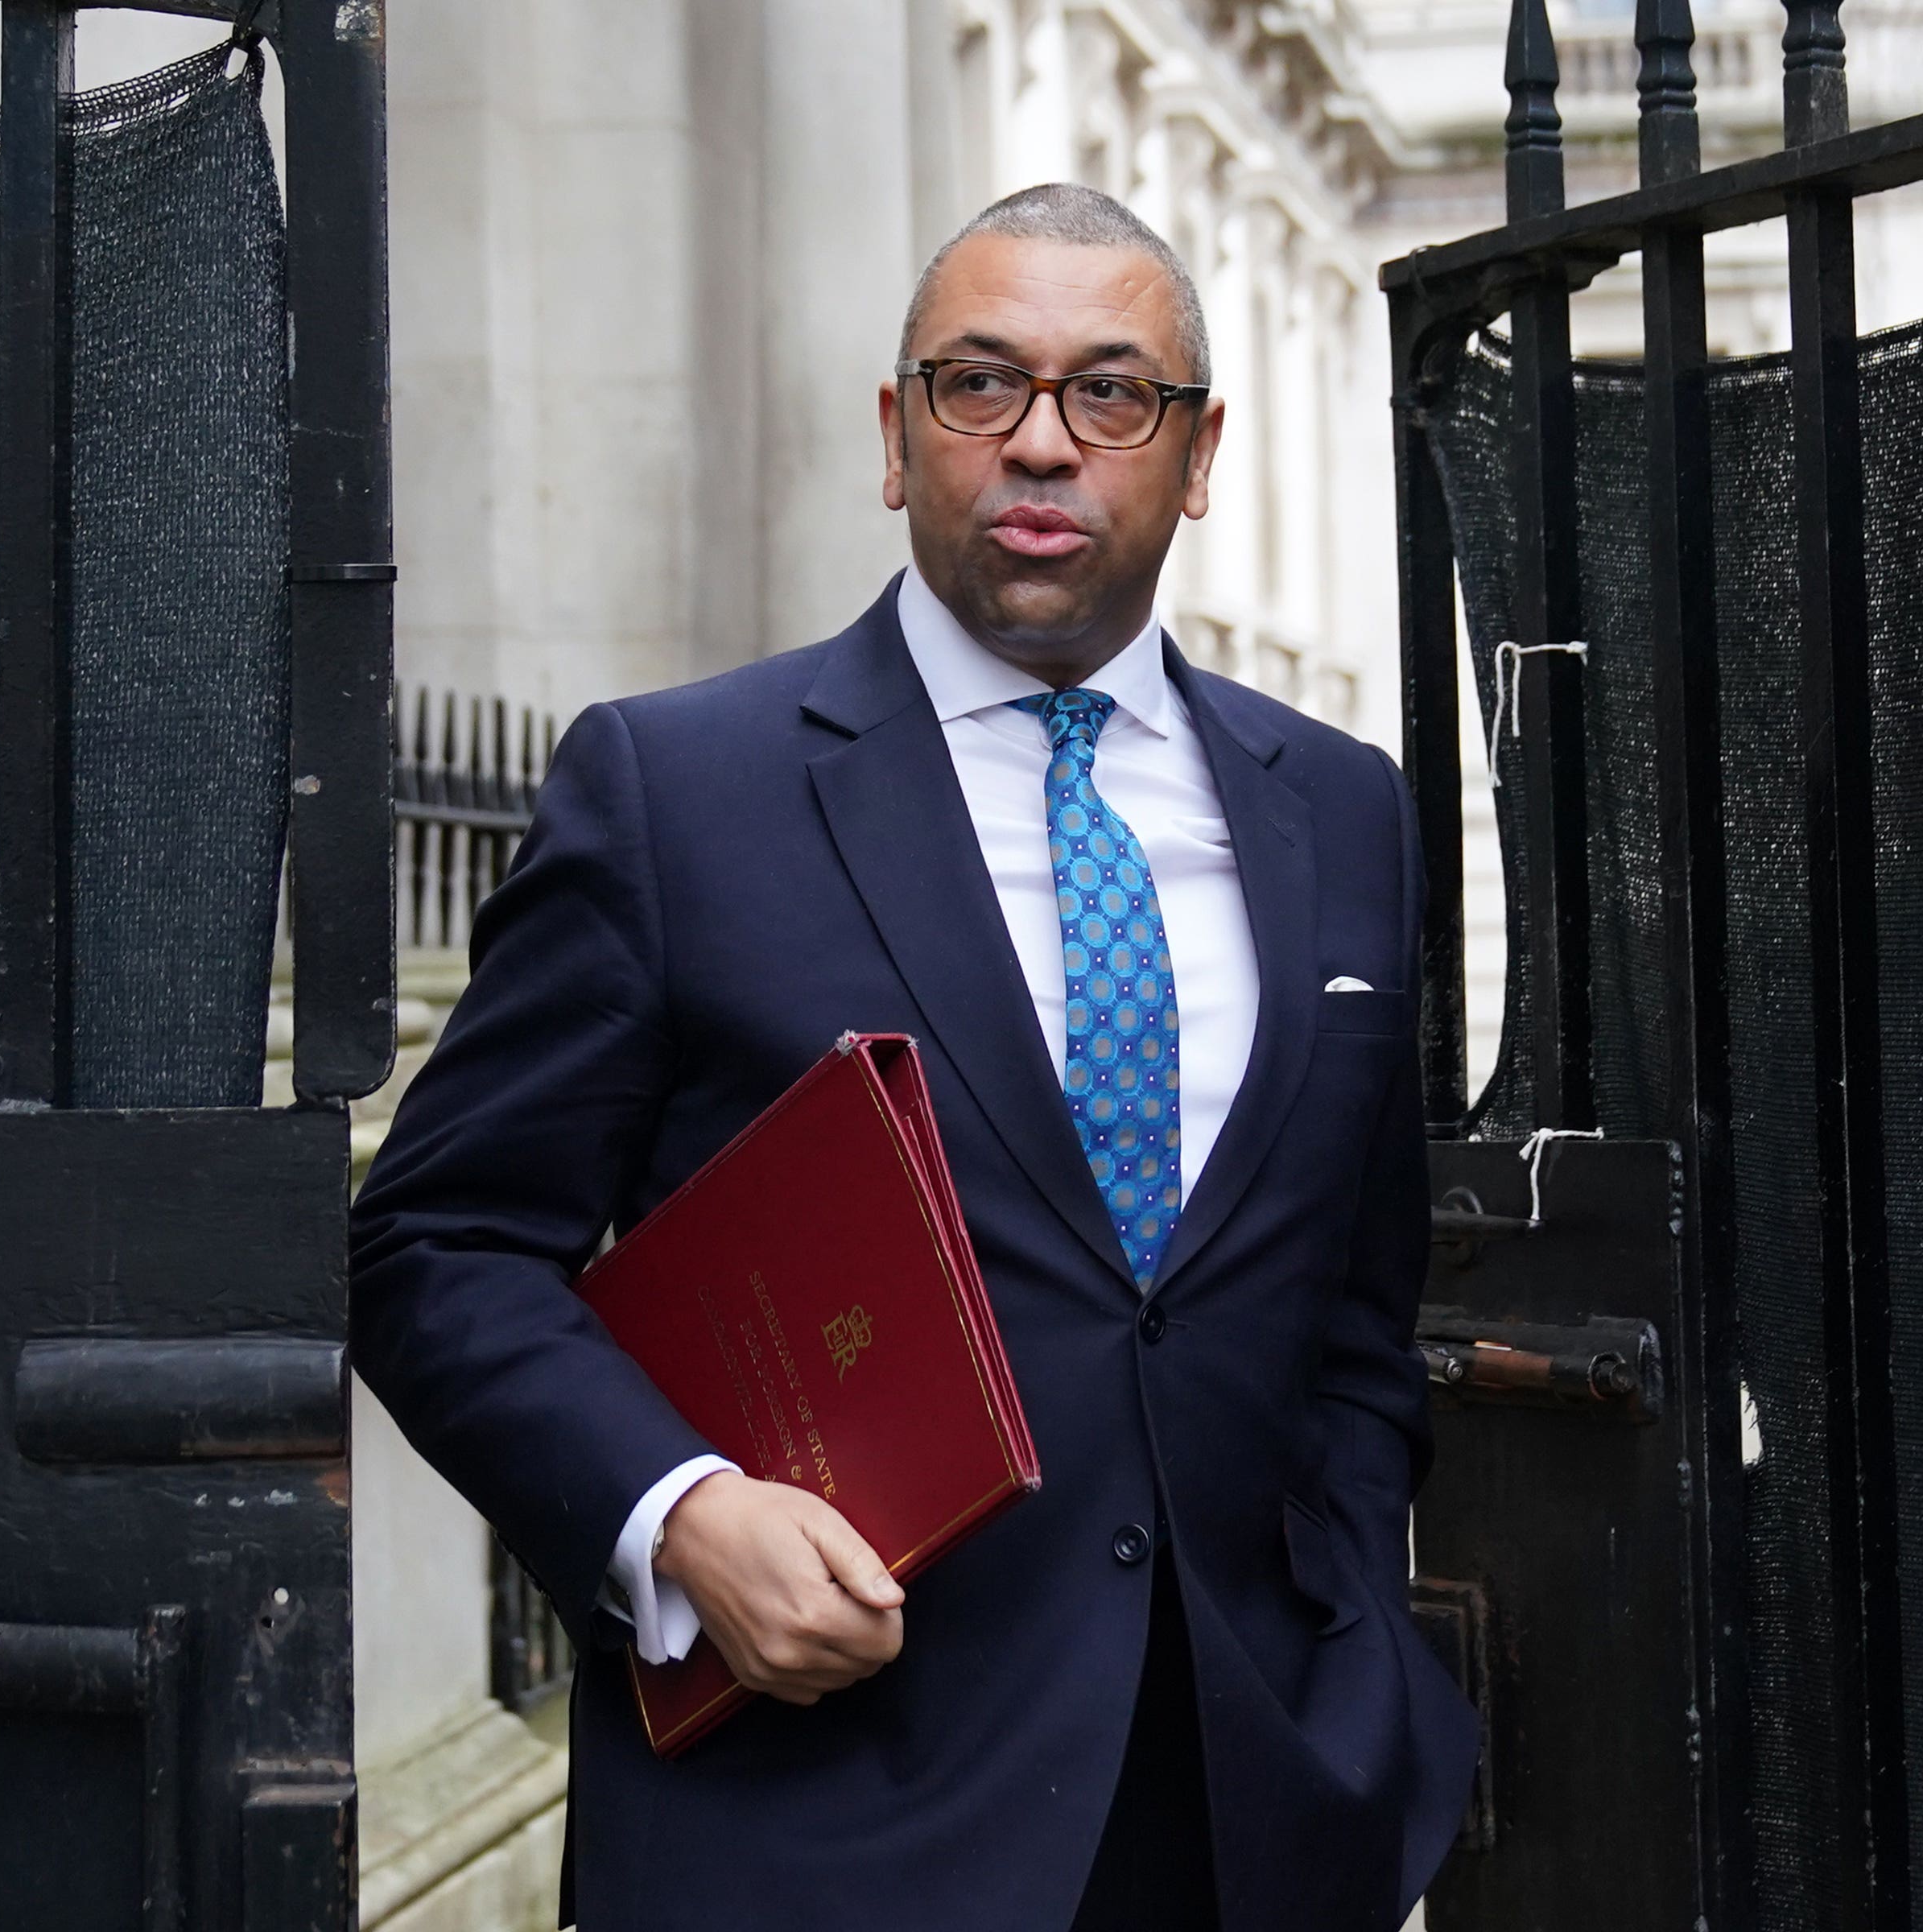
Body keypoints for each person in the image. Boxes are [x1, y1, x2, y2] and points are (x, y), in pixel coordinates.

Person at [349, 182, 1475, 1932]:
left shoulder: (1342, 810)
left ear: (1197, 456)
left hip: (1259, 1814)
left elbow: (1354, 1302)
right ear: (896, 437)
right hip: (822, 1820)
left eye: (1112, 394)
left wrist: (1343, 1630)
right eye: (977, 385)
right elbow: (438, 1249)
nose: (1042, 443)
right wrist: (681, 1519)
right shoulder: (679, 795)